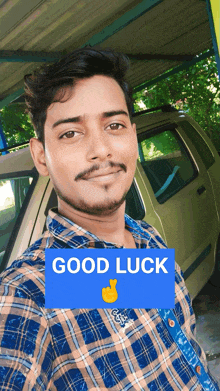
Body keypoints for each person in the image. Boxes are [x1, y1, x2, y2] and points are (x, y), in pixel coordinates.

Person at [0, 48, 218, 391]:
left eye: (114, 125)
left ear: (132, 135)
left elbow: (175, 349)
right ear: (41, 156)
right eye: (71, 133)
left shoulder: (145, 237)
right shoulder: (28, 295)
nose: (100, 149)